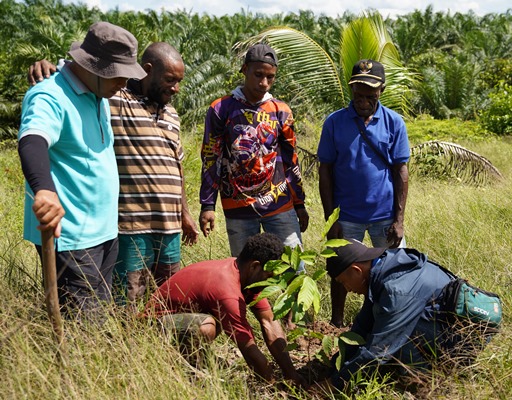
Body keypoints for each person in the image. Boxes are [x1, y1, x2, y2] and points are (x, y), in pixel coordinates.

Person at [28, 43, 200, 305]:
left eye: (179, 82)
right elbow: (86, 77)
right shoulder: (116, 100)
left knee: (168, 295)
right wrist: (49, 65)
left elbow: (177, 167)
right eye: (169, 79)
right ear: (147, 71)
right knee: (127, 297)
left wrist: (185, 214)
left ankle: (161, 342)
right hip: (133, 223)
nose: (175, 88)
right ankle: (127, 342)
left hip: (170, 225)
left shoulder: (172, 115)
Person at [18, 22, 147, 320]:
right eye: (120, 74)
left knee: (100, 316)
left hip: (104, 232)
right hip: (73, 238)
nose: (124, 84)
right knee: (85, 328)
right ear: (95, 68)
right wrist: (45, 190)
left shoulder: (99, 93)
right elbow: (32, 140)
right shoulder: (49, 95)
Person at [314, 239, 498, 393]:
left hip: (463, 339)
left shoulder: (397, 291)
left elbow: (379, 350)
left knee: (396, 337)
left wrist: (332, 386)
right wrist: (335, 365)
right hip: (440, 322)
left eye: (344, 283)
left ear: (356, 270)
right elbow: (362, 325)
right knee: (382, 324)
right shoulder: (384, 267)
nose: (348, 289)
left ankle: (427, 384)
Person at [317, 59, 410, 327]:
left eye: (370, 93)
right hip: (346, 217)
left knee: (391, 272)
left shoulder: (394, 123)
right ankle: (336, 322)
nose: (363, 98)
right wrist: (331, 219)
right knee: (340, 269)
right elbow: (326, 172)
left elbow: (401, 172)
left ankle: (385, 323)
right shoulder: (335, 123)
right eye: (358, 91)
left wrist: (399, 219)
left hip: (384, 215)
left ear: (381, 90)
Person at [146, 232, 305, 386]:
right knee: (207, 326)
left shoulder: (247, 278)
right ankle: (183, 367)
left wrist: (291, 373)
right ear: (255, 266)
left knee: (214, 322)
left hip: (180, 322)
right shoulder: (226, 287)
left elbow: (269, 322)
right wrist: (271, 384)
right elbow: (247, 346)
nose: (271, 282)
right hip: (152, 328)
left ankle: (196, 360)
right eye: (269, 276)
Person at [199, 43, 309, 257]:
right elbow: (211, 158)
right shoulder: (221, 109)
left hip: (279, 204)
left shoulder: (281, 111)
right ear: (244, 69)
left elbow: (291, 160)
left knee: (294, 268)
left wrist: (299, 203)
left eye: (271, 77)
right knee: (245, 274)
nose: (264, 83)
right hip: (238, 208)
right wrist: (207, 205)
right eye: (258, 75)